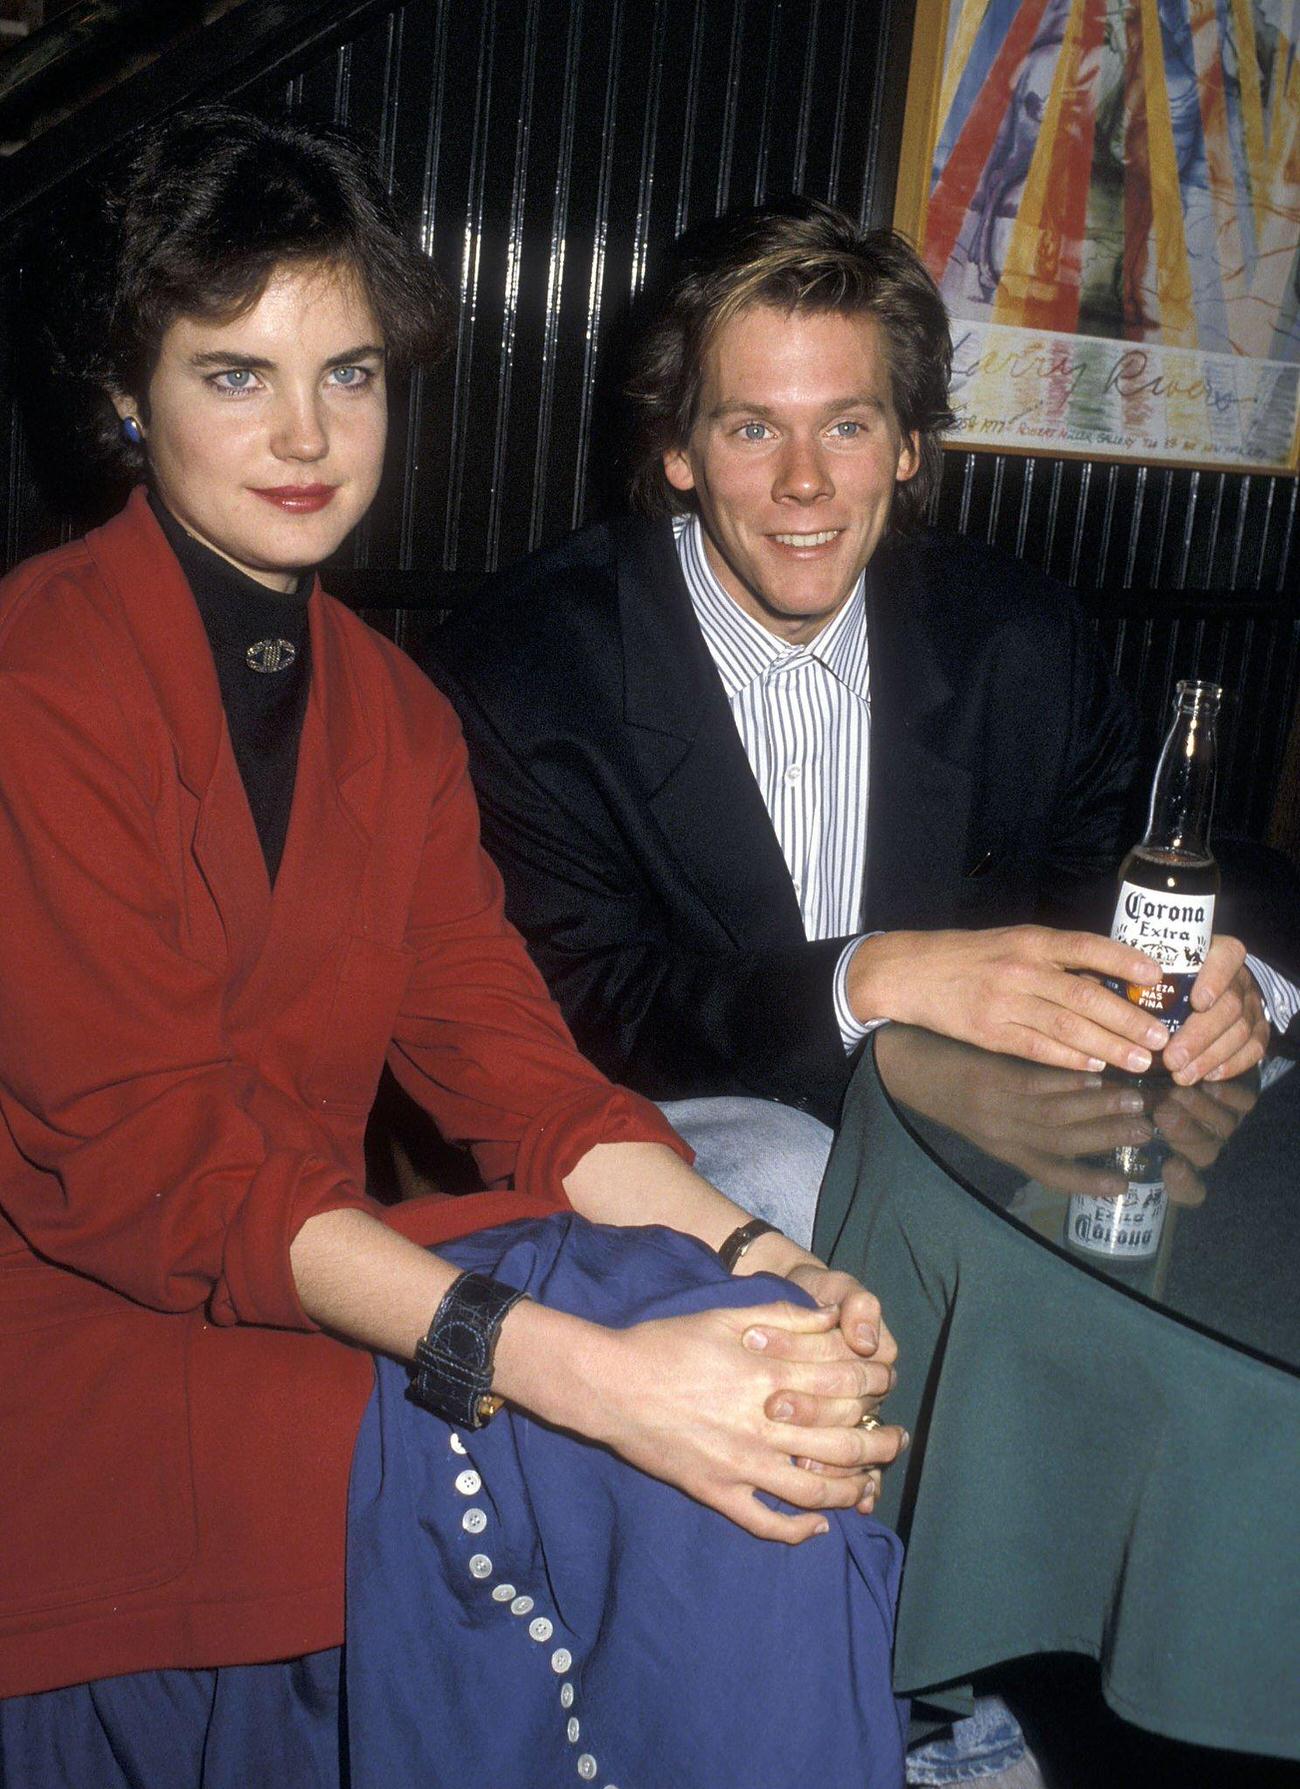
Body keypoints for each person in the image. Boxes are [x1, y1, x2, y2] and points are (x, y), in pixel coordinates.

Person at [0, 113, 909, 1788]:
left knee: (750, 1372)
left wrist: (750, 1254)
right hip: (80, 1356)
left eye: (348, 374)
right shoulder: (40, 680)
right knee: (651, 1439)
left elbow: (514, 1071)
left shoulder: (393, 711)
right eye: (234, 374)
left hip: (300, 1276)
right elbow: (156, 1167)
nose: (305, 433)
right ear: (127, 393)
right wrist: (576, 1374)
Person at [424, 198, 1300, 1789]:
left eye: (851, 425)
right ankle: (840, 1694)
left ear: (912, 446)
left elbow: (1154, 863)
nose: (808, 485)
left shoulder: (1014, 633)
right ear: (677, 448)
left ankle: (1069, 1651)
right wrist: (874, 975)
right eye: (752, 427)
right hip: (672, 1108)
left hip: (984, 1132)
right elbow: (572, 1009)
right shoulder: (526, 666)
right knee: (796, 1187)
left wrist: (1240, 976)